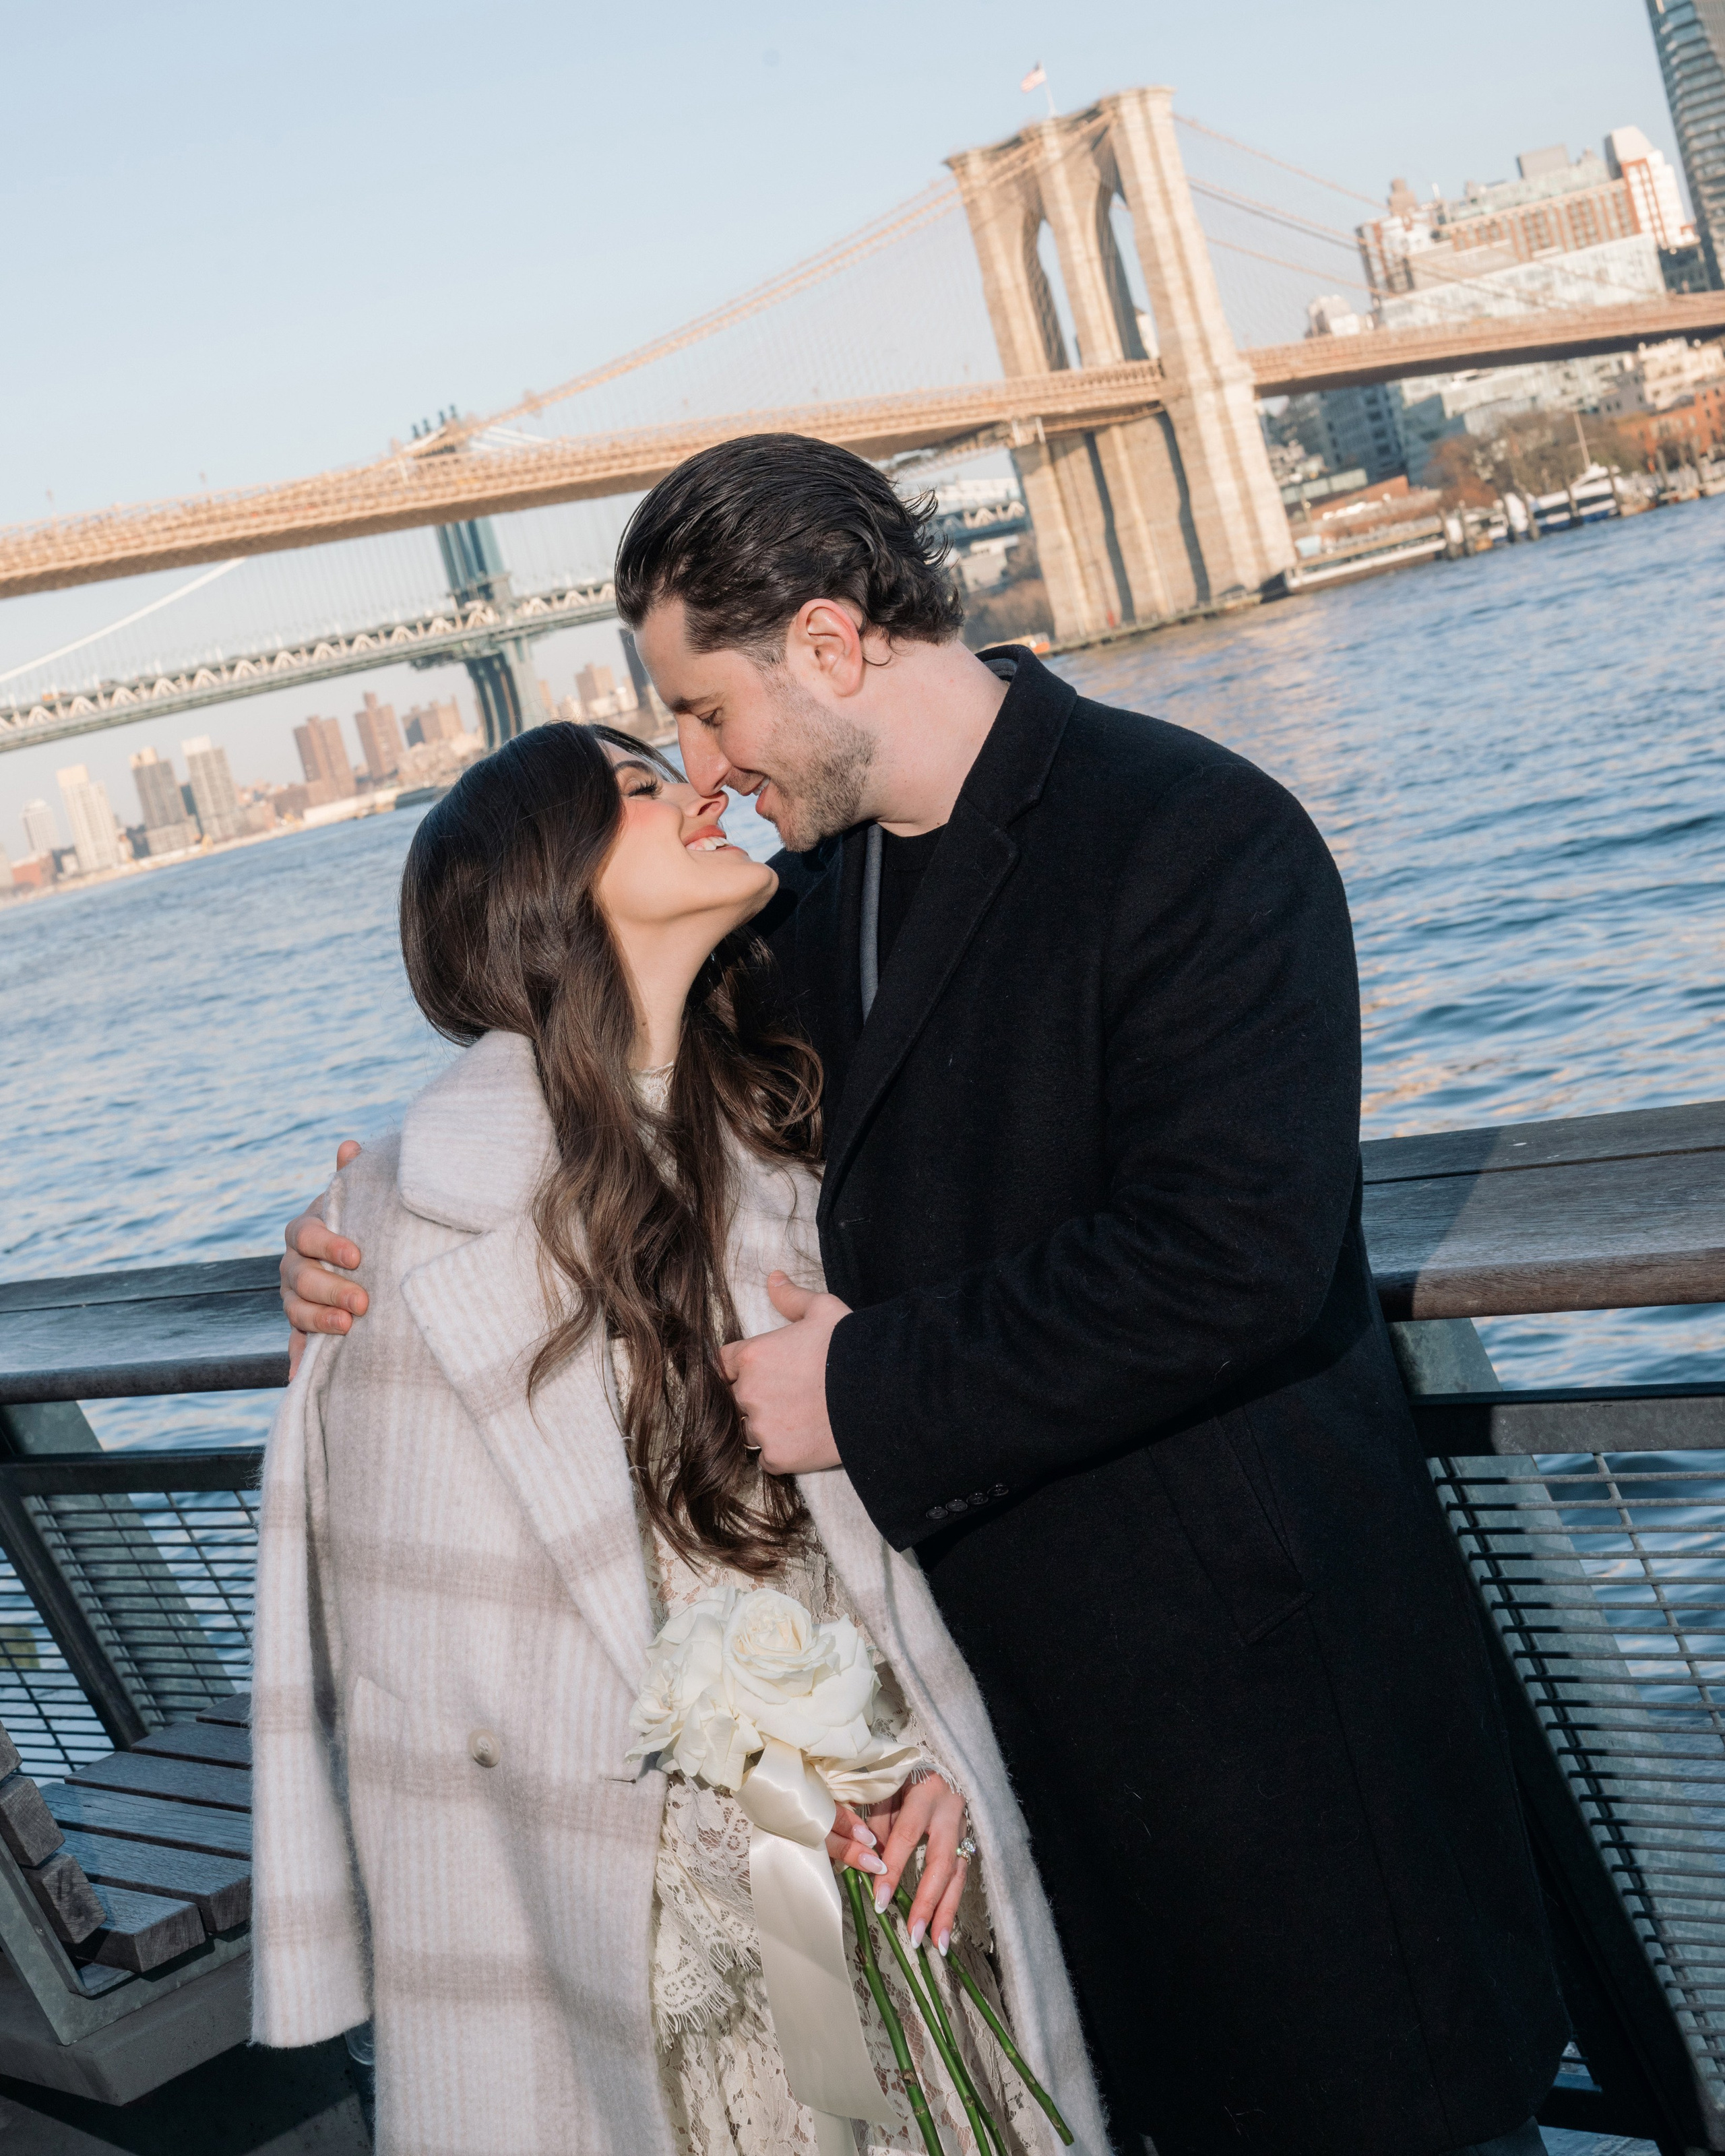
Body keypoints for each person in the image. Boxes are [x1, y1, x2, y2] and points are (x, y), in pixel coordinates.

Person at [280, 436, 1568, 2156]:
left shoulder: (1193, 835)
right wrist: (351, 1234)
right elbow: (592, 1088)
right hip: (939, 1787)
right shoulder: (800, 913)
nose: (705, 767)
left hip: (1245, 1741)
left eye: (707, 716)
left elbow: (1235, 1255)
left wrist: (867, 1390)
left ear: (826, 646)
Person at [253, 721, 1106, 2156]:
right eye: (645, 791)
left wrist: (938, 1755)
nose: (701, 789)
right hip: (666, 1902)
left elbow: (900, 1520)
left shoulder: (789, 1121)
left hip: (876, 1834)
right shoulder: (411, 1228)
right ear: (553, 885)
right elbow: (428, 1678)